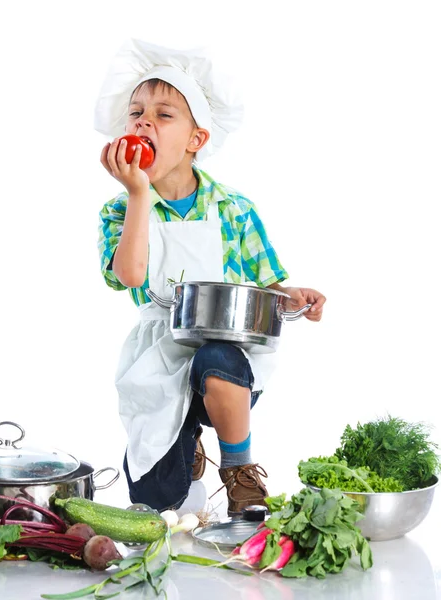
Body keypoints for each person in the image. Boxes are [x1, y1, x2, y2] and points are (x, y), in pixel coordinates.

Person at [95, 39, 326, 516]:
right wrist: (138, 193)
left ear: (196, 139)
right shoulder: (119, 209)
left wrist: (292, 294)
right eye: (136, 113)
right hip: (159, 348)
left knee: (217, 360)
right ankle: (185, 450)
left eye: (163, 115)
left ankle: (239, 471)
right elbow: (130, 274)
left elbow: (267, 283)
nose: (142, 122)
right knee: (155, 499)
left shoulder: (234, 209)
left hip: (226, 350)